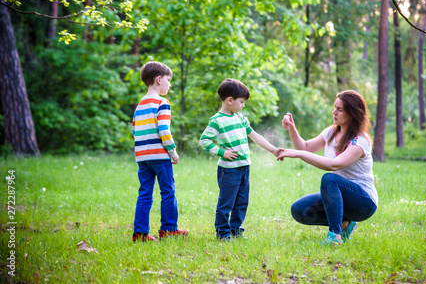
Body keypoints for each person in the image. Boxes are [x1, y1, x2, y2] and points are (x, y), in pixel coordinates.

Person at [277, 90, 378, 246]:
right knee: (299, 209)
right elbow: (305, 147)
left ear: (352, 114)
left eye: (340, 109)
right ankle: (346, 224)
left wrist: (298, 154)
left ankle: (334, 236)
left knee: (330, 179)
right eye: (334, 107)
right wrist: (292, 128)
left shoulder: (360, 141)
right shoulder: (331, 132)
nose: (334, 112)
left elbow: (334, 165)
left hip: (363, 202)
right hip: (340, 196)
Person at [199, 78, 283, 241]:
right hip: (229, 170)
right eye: (242, 102)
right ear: (230, 100)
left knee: (242, 201)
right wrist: (222, 152)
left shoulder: (240, 118)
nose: (243, 105)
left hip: (244, 167)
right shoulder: (217, 121)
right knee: (226, 203)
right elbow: (204, 140)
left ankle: (235, 229)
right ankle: (223, 234)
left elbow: (255, 136)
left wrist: (273, 150)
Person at [131, 61, 189, 242]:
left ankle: (140, 233)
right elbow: (164, 131)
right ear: (158, 79)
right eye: (168, 80)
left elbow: (134, 130)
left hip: (142, 157)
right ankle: (169, 229)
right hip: (160, 155)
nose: (169, 84)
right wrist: (173, 152)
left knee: (145, 193)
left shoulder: (140, 105)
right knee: (168, 192)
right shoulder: (162, 103)